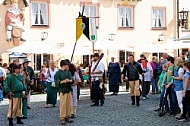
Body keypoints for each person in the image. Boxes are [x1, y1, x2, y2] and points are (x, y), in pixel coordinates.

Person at [54, 60, 74, 125]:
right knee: (63, 105)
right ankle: (62, 117)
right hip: (62, 90)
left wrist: (69, 80)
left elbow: (72, 79)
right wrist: (63, 81)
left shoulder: (68, 72)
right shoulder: (58, 73)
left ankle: (67, 116)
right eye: (67, 65)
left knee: (68, 104)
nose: (68, 66)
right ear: (64, 65)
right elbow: (56, 81)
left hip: (68, 89)